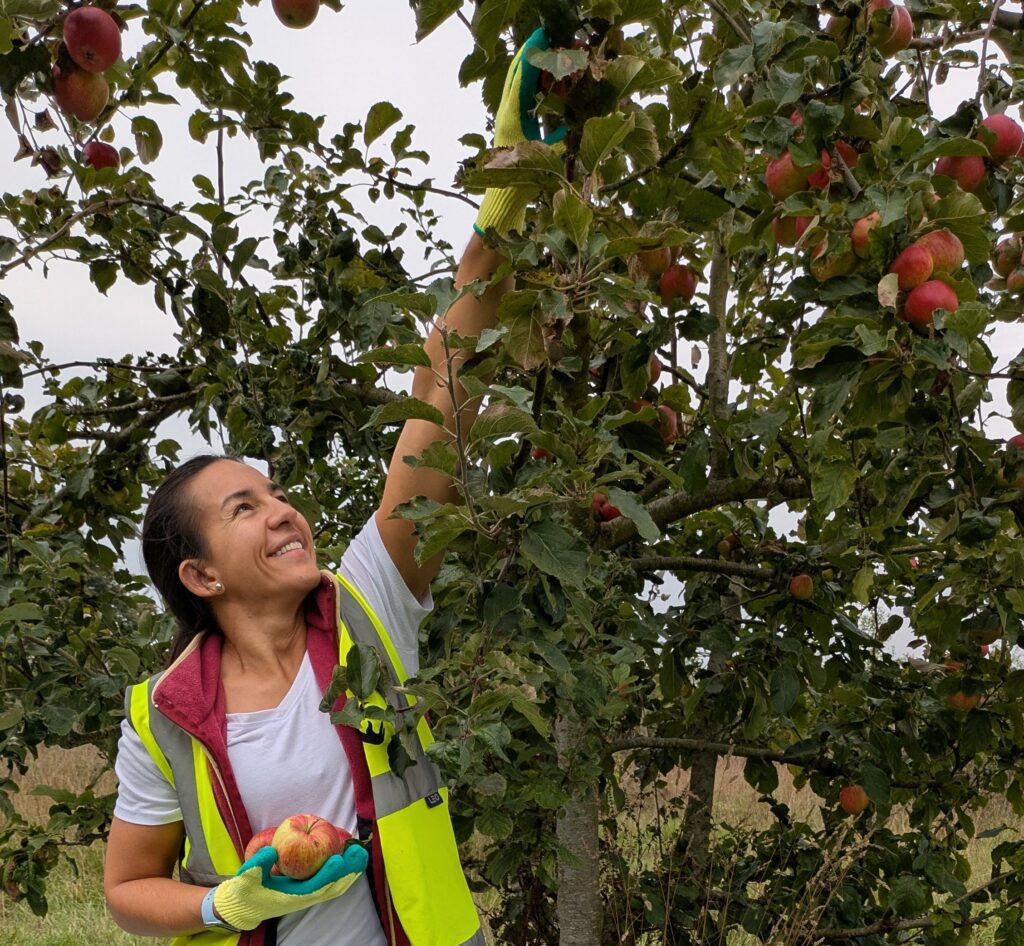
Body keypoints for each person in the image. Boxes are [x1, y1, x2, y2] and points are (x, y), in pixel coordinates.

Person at [102, 25, 562, 946]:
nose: (281, 512)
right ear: (200, 576)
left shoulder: (367, 610)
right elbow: (125, 886)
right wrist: (222, 902)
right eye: (244, 510)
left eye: (273, 494)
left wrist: (502, 210)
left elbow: (445, 387)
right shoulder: (165, 717)